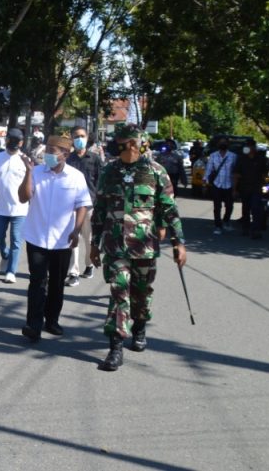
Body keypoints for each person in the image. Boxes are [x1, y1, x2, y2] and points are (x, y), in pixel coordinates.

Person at [90, 124, 186, 372]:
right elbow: (100, 209)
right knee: (119, 291)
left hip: (145, 245)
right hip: (115, 246)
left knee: (141, 292)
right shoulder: (109, 172)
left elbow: (169, 209)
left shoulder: (156, 172)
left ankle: (140, 326)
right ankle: (115, 347)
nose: (138, 147)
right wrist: (93, 244)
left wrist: (179, 243)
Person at [17, 134, 92, 342]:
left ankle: (52, 320)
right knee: (37, 282)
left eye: (53, 151)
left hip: (62, 240)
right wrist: (28, 173)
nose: (48, 154)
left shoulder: (76, 177)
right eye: (47, 149)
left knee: (57, 284)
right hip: (37, 238)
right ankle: (33, 324)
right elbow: (23, 197)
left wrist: (76, 231)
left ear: (65, 154)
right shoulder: (37, 172)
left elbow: (82, 205)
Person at [0, 127, 29, 284]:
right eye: (10, 140)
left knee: (16, 240)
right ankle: (5, 253)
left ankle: (11, 271)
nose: (12, 144)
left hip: (20, 209)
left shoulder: (25, 160)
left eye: (16, 142)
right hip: (1, 209)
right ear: (6, 140)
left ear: (21, 143)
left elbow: (31, 184)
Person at [64, 125, 103, 285]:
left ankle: (89, 264)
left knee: (89, 239)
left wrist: (100, 205)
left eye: (82, 136)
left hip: (90, 207)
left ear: (87, 138)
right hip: (71, 206)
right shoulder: (68, 159)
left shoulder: (95, 159)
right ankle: (74, 272)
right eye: (76, 136)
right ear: (72, 139)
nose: (79, 139)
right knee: (74, 238)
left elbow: (101, 183)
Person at [234, 139, 267, 240]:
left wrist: (265, 184)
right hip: (244, 188)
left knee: (256, 208)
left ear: (253, 147)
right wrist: (234, 189)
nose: (247, 148)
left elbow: (265, 174)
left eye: (249, 146)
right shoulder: (241, 159)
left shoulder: (260, 159)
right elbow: (236, 175)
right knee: (246, 208)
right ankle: (245, 228)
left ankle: (256, 230)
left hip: (256, 188)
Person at [205, 136, 237, 234]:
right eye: (221, 142)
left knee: (229, 206)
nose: (223, 144)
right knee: (217, 206)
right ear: (218, 145)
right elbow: (209, 169)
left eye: (224, 142)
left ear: (228, 144)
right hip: (217, 184)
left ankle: (226, 221)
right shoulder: (213, 155)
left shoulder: (233, 156)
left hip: (229, 185)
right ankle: (217, 226)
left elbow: (236, 171)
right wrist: (205, 181)